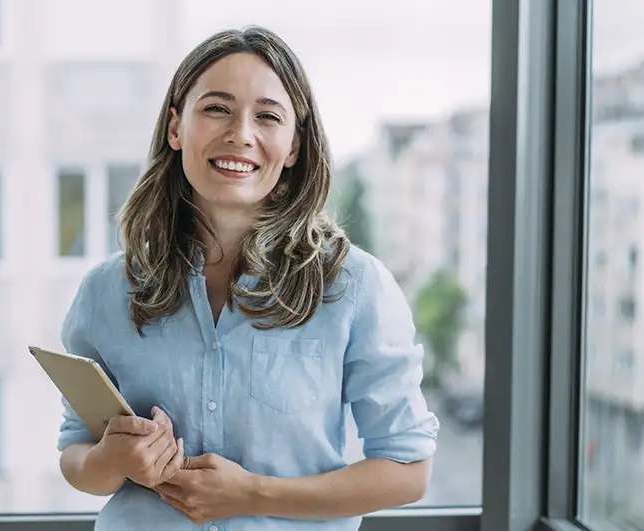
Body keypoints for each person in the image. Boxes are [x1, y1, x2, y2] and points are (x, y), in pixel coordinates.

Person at [57, 25, 439, 531]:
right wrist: (115, 461)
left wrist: (252, 494)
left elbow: (408, 470)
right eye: (216, 108)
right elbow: (75, 456)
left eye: (268, 116)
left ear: (295, 145)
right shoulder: (107, 290)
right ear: (176, 128)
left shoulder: (353, 286)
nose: (240, 133)